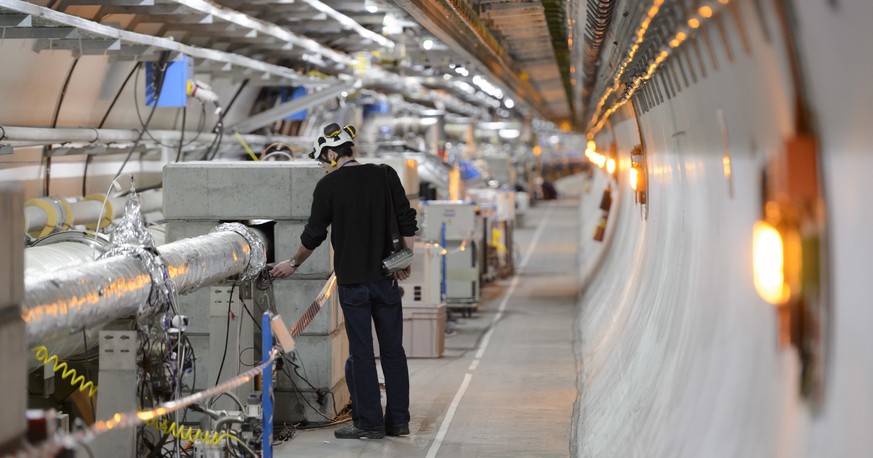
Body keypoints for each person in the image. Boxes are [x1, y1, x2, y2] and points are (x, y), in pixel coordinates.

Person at [271, 122, 417, 440]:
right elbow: (407, 217)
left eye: (325, 157)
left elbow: (314, 234)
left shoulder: (329, 186)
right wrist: (405, 259)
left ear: (334, 151)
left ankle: (369, 423)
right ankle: (399, 421)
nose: (326, 163)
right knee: (393, 351)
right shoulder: (385, 174)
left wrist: (292, 263)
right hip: (386, 279)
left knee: (362, 354)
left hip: (353, 284)